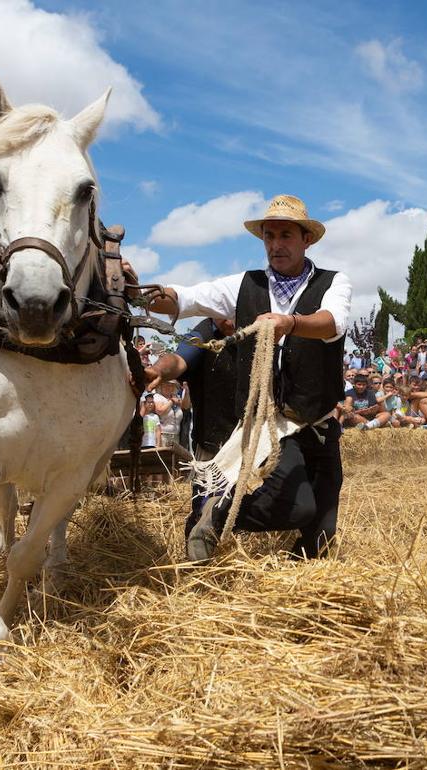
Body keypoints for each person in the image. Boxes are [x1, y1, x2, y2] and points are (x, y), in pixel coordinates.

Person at [142, 194, 351, 561]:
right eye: (269, 236)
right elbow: (186, 298)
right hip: (273, 423)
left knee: (322, 532)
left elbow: (333, 322)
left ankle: (296, 589)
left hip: (318, 418)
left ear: (307, 240)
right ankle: (216, 515)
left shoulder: (334, 282)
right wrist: (145, 295)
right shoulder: (245, 285)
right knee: (296, 507)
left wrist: (293, 323)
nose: (275, 245)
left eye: (286, 235)